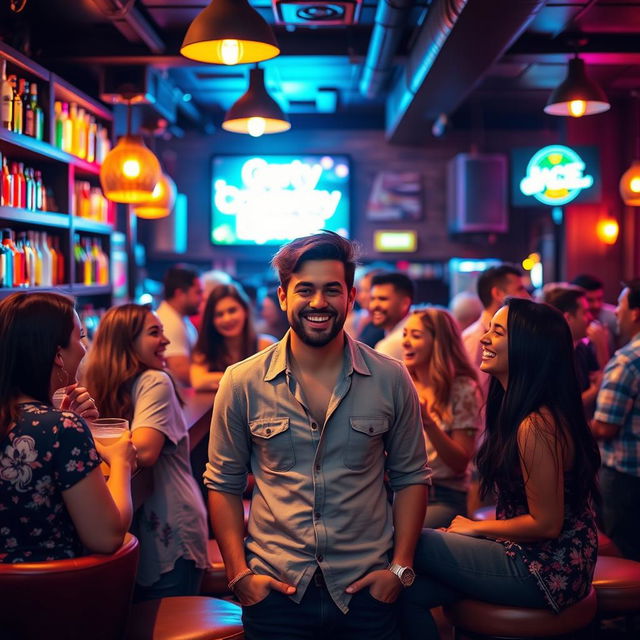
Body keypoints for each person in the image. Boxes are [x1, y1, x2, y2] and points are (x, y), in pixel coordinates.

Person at [205, 231, 431, 640]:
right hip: (276, 590)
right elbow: (223, 484)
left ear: (350, 296)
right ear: (282, 296)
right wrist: (239, 575)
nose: (318, 303)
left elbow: (412, 477)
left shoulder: (391, 377)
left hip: (366, 589)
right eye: (304, 289)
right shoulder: (241, 382)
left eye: (331, 290)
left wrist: (399, 570)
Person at [401, 298, 601, 639]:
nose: (483, 339)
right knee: (405, 592)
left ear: (528, 346)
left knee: (408, 541)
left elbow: (547, 523)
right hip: (534, 556)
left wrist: (477, 529)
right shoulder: (522, 411)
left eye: (497, 332)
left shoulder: (536, 424)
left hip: (548, 569)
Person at [84, 304, 209, 599]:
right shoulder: (104, 384)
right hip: (147, 526)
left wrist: (82, 431)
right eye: (155, 333)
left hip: (170, 530)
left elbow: (144, 451)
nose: (165, 341)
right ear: (125, 342)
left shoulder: (156, 380)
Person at [0, 292, 135, 563]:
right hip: (53, 595)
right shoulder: (61, 427)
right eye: (80, 337)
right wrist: (121, 462)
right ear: (58, 354)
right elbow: (106, 537)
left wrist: (61, 419)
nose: (84, 348)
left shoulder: (44, 422)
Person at [402, 308, 482, 528]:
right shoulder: (402, 383)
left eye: (416, 336)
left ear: (438, 342)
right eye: (405, 334)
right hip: (398, 492)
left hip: (441, 496)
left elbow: (459, 462)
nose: (406, 342)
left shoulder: (462, 389)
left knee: (398, 535)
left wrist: (428, 421)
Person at [592, 279, 640, 561]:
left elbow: (606, 427)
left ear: (635, 312)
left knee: (626, 554)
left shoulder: (627, 360)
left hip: (626, 478)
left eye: (620, 305)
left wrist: (567, 426)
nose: (616, 313)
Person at [191, 283, 275, 392]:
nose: (227, 319)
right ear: (211, 320)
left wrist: (220, 379)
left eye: (232, 310)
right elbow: (198, 382)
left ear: (245, 311)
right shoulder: (205, 348)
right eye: (219, 314)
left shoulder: (266, 345)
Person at [462, 264, 530, 398]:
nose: (527, 296)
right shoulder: (474, 338)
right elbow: (476, 395)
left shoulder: (516, 333)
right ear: (498, 294)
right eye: (520, 289)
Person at [544, 285, 603, 415]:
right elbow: (561, 408)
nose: (591, 317)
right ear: (568, 318)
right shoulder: (549, 357)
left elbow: (600, 377)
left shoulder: (582, 347)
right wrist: (595, 390)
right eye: (585, 312)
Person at [155, 264, 204, 386]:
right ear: (180, 294)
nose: (202, 298)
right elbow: (181, 372)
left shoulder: (180, 318)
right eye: (198, 292)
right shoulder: (169, 322)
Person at [571, 273, 618, 363]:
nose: (596, 305)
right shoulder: (570, 320)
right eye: (590, 300)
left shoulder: (613, 315)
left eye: (599, 299)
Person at [370, 271, 415, 360]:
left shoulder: (392, 344)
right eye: (372, 299)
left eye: (382, 299)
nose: (374, 305)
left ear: (405, 303)